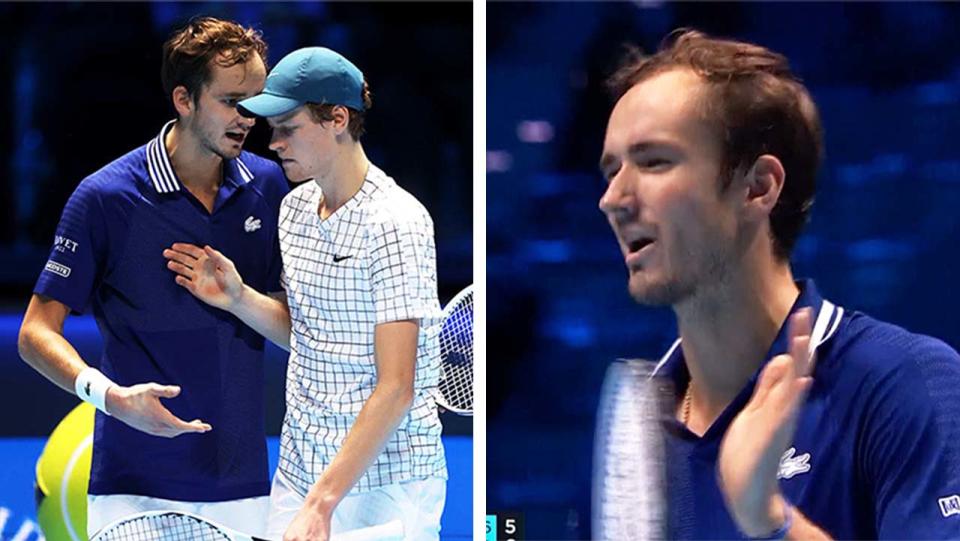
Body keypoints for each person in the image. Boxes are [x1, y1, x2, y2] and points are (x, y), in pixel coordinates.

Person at [598, 29, 960, 539]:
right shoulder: (634, 439)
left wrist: (770, 520)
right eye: (611, 171)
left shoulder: (908, 385)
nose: (613, 199)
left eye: (654, 161)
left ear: (758, 187)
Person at [17, 17, 288, 537]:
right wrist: (110, 397)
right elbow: (35, 334)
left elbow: (301, 332)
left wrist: (239, 299)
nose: (248, 117)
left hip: (246, 490)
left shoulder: (272, 187)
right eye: (232, 101)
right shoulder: (104, 198)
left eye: (255, 101)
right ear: (184, 100)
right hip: (129, 490)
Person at [162, 47, 447, 541]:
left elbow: (396, 386)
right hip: (299, 474)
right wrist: (237, 297)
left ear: (337, 118)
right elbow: (312, 336)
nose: (273, 144)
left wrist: (323, 503)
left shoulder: (399, 223)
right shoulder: (293, 211)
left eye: (288, 128)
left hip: (385, 486)